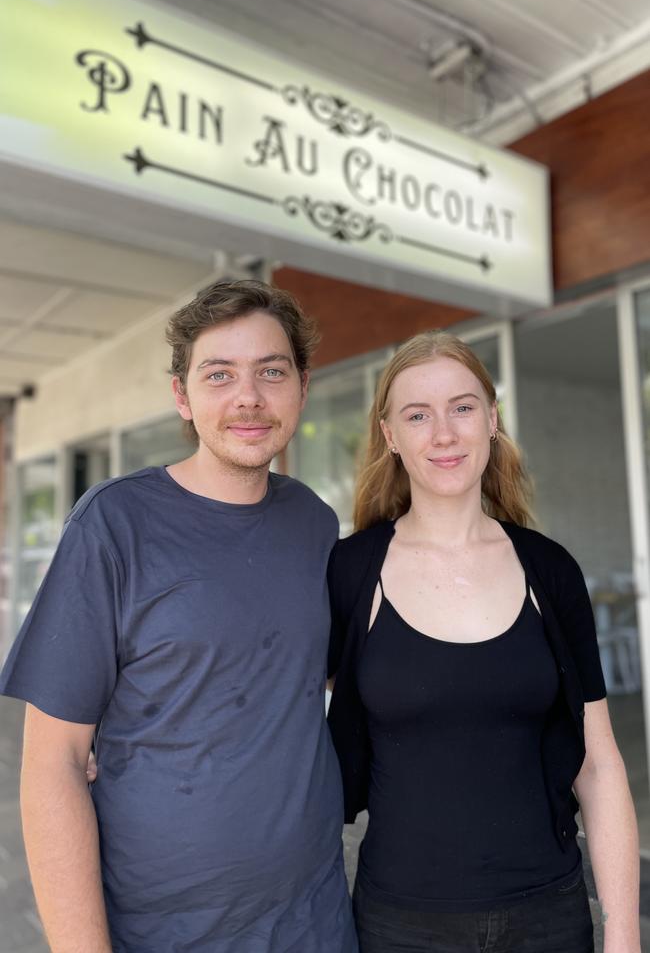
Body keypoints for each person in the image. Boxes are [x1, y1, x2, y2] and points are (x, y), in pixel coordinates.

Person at [0, 279, 358, 953]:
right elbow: (52, 766)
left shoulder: (313, 520)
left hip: (313, 916)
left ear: (302, 390)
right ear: (182, 397)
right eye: (218, 374)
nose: (247, 396)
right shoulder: (115, 523)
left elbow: (317, 670)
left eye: (270, 372)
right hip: (164, 930)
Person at [327, 330, 640, 953]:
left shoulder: (549, 571)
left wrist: (624, 933)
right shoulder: (351, 573)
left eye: (462, 408)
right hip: (400, 924)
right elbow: (270, 708)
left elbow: (599, 765)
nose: (443, 434)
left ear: (491, 420)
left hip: (549, 915)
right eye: (418, 415)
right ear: (391, 435)